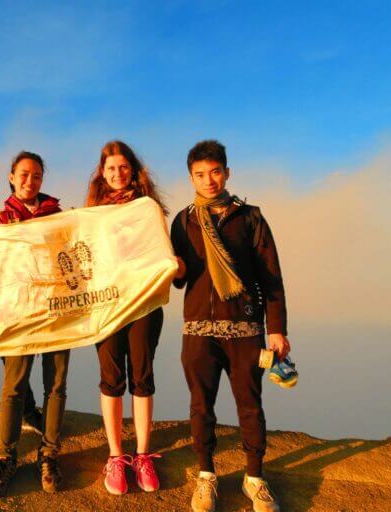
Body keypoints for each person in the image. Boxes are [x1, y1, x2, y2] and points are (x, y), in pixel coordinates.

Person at [170, 140, 290, 512]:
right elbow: (180, 280)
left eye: (215, 172)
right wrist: (175, 269)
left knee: (250, 406)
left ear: (227, 172)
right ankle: (206, 475)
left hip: (245, 328)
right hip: (198, 331)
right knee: (200, 406)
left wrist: (277, 328)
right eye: (200, 174)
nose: (209, 180)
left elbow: (271, 276)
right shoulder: (184, 220)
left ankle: (254, 477)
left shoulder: (250, 217)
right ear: (191, 176)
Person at [0, 151, 68, 498]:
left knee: (55, 385)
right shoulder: (0, 223)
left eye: (36, 176)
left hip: (56, 313)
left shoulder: (58, 217)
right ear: (11, 177)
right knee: (13, 388)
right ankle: (5, 457)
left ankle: (49, 454)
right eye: (24, 175)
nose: (30, 181)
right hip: (17, 316)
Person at [85, 140, 168, 495]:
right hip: (106, 305)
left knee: (142, 375)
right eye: (110, 169)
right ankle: (117, 456)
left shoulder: (148, 208)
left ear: (133, 170)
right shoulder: (92, 215)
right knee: (111, 377)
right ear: (101, 173)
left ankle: (143, 454)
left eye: (123, 167)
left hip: (144, 303)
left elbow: (162, 248)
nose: (117, 174)